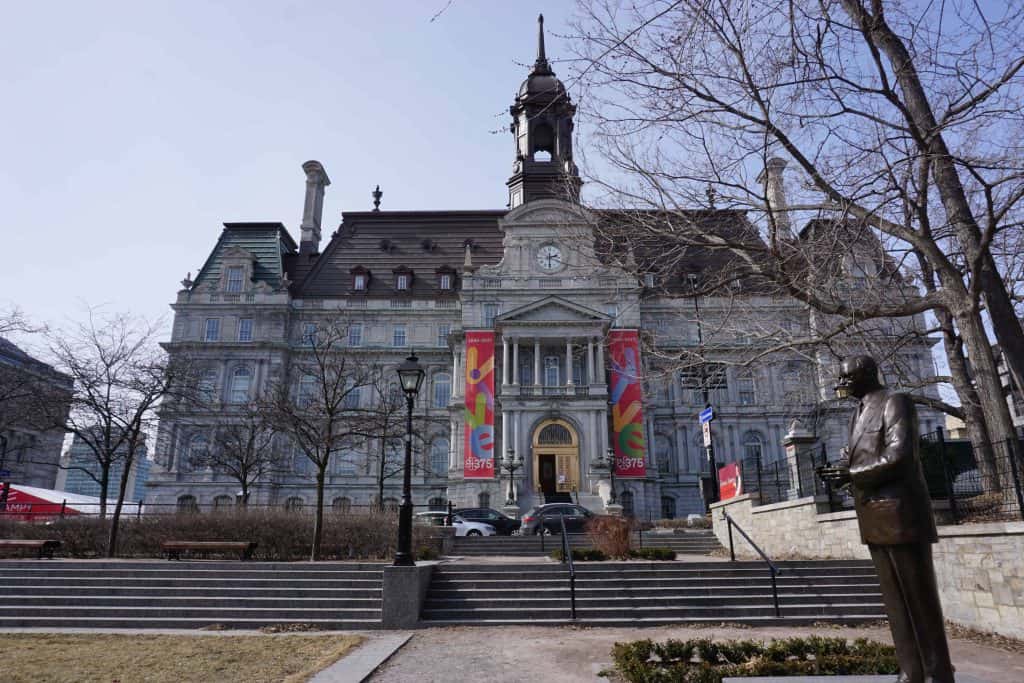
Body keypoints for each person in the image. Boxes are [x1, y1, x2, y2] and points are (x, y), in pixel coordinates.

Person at [819, 355, 954, 683]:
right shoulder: (857, 412)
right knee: (895, 604)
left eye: (846, 378)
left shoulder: (896, 402)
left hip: (901, 513)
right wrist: (840, 471)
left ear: (866, 375)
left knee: (920, 600)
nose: (841, 385)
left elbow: (900, 456)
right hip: (873, 518)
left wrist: (851, 474)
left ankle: (937, 673)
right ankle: (911, 672)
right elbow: (859, 455)